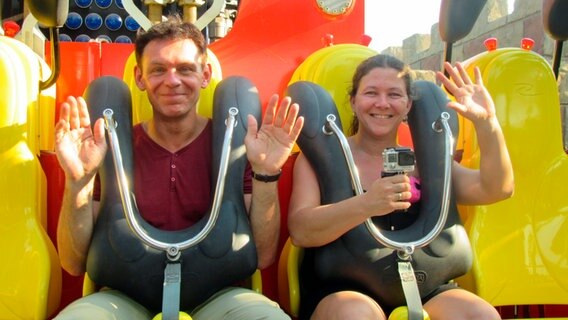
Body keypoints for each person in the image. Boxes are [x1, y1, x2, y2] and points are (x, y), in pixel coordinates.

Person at [54, 16, 303, 319]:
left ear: (205, 75)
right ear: (140, 77)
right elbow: (72, 261)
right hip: (124, 295)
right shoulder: (110, 148)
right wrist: (77, 181)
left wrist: (267, 172)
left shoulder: (235, 147)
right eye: (158, 70)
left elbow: (263, 256)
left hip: (218, 294)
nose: (172, 81)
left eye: (185, 69)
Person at [287, 54, 514, 320]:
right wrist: (367, 203)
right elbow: (301, 230)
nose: (382, 103)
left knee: (480, 314)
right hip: (344, 286)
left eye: (394, 95)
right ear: (353, 101)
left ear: (408, 106)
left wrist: (487, 123)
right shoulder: (321, 159)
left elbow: (496, 189)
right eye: (371, 93)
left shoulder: (427, 162)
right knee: (355, 315)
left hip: (424, 282)